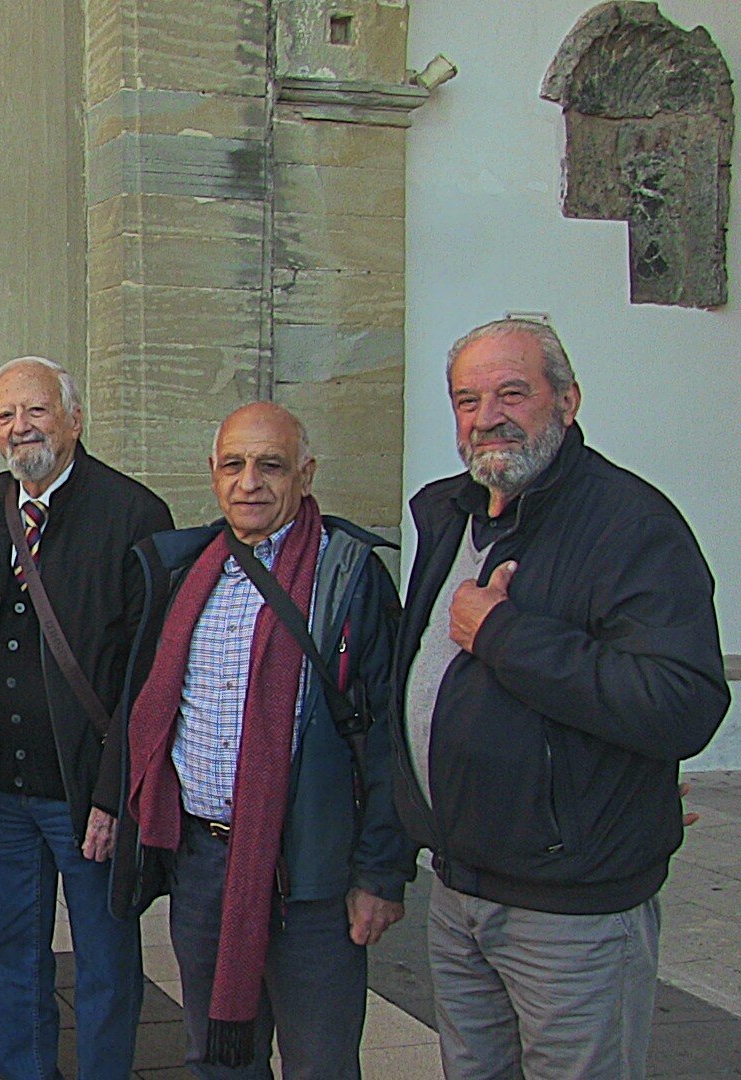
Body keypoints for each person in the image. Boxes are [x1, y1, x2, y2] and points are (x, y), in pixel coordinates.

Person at [393, 318, 727, 1078]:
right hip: (458, 887)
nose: (487, 417)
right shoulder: (451, 514)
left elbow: (683, 702)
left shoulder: (632, 526)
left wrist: (506, 634)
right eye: (467, 399)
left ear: (568, 401)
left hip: (569, 907)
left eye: (513, 392)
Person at [106, 402, 411, 1077]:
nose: (251, 482)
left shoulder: (348, 577)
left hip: (313, 871)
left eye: (271, 466)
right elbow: (145, 710)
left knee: (320, 1062)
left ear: (305, 474)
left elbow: (391, 737)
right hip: (205, 862)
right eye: (234, 465)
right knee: (216, 1056)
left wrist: (381, 872)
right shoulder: (184, 572)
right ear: (212, 474)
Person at [0, 355, 173, 1079]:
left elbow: (148, 671)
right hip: (0, 790)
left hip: (85, 793)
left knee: (104, 957)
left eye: (36, 411)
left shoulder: (135, 513)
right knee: (7, 949)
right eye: (6, 415)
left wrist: (112, 791)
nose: (19, 427)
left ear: (74, 418)